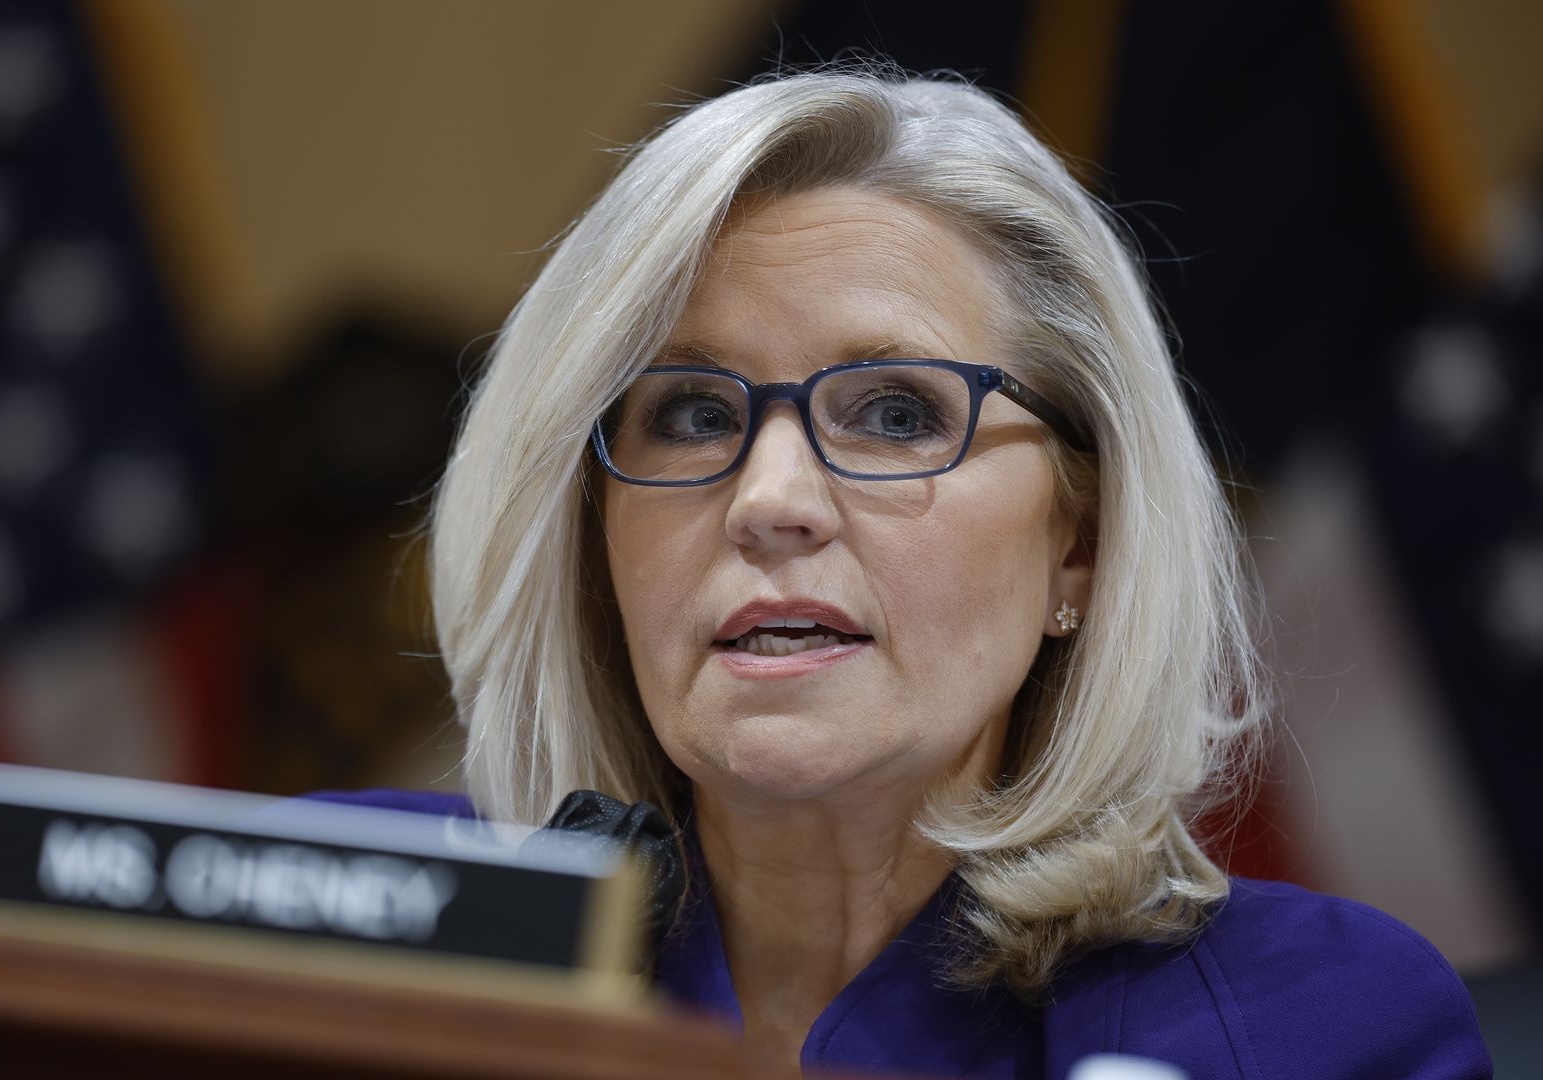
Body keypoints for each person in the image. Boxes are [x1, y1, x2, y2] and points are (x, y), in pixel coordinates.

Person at [317, 70, 1492, 1077]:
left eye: (894, 412)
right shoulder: (350, 935)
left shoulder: (1317, 1028)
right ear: (593, 539)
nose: (771, 502)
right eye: (686, 412)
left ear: (1077, 545)